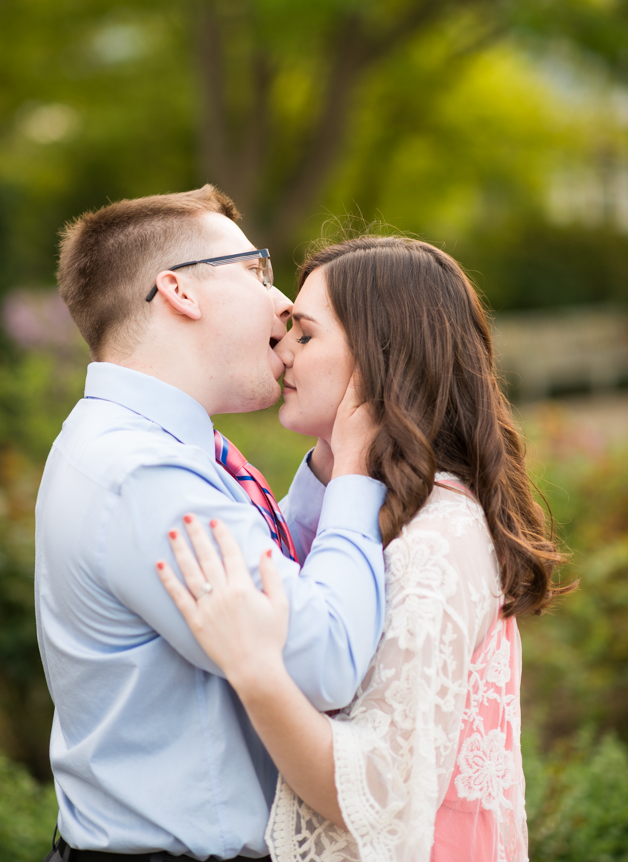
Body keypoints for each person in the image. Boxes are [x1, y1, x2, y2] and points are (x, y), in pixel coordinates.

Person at [157, 235, 574, 862]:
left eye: (305, 334)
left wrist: (254, 670)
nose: (282, 347)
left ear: (380, 359)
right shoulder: (379, 507)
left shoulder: (438, 536)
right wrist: (339, 466)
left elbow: (376, 798)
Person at [36, 188, 388, 862]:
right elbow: (328, 658)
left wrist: (319, 474)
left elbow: (259, 557)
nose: (283, 301)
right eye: (255, 271)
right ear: (179, 292)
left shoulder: (147, 448)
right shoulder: (144, 475)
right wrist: (354, 472)